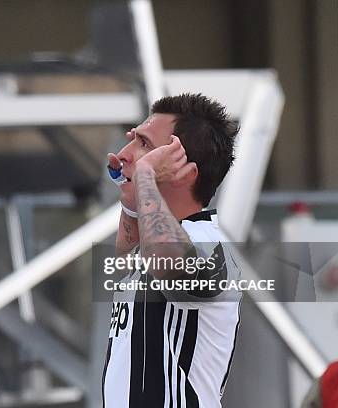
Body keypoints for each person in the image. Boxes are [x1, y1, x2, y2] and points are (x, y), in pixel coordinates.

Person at [102, 93, 242, 407]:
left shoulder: (207, 243)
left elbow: (166, 266)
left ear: (184, 172)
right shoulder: (152, 242)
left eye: (145, 145)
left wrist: (145, 177)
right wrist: (132, 195)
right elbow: (124, 262)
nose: (124, 154)